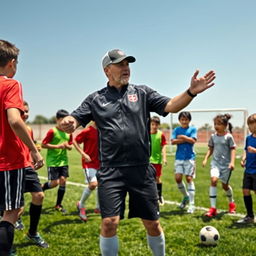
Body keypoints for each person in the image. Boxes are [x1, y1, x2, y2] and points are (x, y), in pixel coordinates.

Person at [60, 49, 216, 256]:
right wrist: (69, 122)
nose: (126, 68)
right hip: (110, 171)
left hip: (141, 170)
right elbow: (75, 118)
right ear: (107, 70)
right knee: (109, 223)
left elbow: (171, 106)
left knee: (152, 223)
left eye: (128, 64)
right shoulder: (95, 99)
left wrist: (191, 92)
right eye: (120, 64)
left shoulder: (142, 93)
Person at [0, 39, 44, 256]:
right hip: (7, 159)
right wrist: (34, 150)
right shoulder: (10, 84)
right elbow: (15, 121)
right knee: (12, 211)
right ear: (12, 63)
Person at [15, 101, 48, 248]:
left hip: (27, 167)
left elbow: (30, 145)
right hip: (11, 166)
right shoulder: (8, 126)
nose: (26, 114)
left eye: (27, 111)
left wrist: (35, 155)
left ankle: (32, 233)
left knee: (39, 195)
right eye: (23, 111)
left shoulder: (28, 129)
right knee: (15, 208)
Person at [202, 114, 236, 217]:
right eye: (215, 124)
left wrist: (232, 162)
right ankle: (213, 209)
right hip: (215, 163)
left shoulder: (229, 137)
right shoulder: (213, 136)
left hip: (226, 165)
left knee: (225, 186)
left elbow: (233, 149)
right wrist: (205, 159)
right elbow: (210, 148)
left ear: (225, 125)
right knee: (213, 180)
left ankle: (231, 203)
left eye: (219, 124)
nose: (216, 126)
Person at [41, 109, 73, 213]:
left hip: (63, 161)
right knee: (55, 183)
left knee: (63, 181)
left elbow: (70, 145)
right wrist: (58, 146)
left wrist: (68, 147)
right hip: (53, 161)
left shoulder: (69, 132)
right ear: (57, 120)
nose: (65, 123)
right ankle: (42, 187)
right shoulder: (52, 131)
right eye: (63, 120)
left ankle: (58, 205)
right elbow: (43, 144)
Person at [73, 121, 100, 221]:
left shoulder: (103, 130)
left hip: (100, 163)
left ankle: (98, 207)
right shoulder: (88, 130)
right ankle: (81, 204)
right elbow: (75, 141)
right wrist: (83, 154)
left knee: (101, 185)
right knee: (93, 184)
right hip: (89, 163)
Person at [171, 111, 197, 214]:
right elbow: (173, 141)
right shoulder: (176, 129)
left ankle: (192, 204)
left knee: (189, 178)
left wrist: (182, 138)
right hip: (179, 157)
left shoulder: (193, 129)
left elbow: (193, 141)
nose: (184, 121)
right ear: (179, 120)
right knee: (178, 178)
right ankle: (186, 197)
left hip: (189, 158)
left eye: (186, 119)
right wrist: (187, 139)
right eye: (182, 119)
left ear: (189, 120)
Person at [237, 114, 256, 224]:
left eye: (251, 124)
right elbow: (245, 150)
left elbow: (252, 150)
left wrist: (255, 151)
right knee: (245, 191)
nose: (249, 127)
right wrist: (243, 158)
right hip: (248, 170)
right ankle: (249, 216)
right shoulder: (248, 138)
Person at [150, 116, 167, 206]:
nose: (154, 126)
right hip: (147, 160)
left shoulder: (161, 134)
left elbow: (164, 146)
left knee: (157, 178)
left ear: (158, 125)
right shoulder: (146, 134)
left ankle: (159, 196)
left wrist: (164, 157)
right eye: (152, 124)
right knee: (148, 179)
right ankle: (150, 196)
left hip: (157, 160)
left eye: (156, 125)